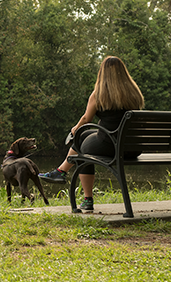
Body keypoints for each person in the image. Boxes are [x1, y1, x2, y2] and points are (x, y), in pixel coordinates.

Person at [39, 56, 144, 211]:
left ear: (103, 73)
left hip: (111, 145)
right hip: (132, 147)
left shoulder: (99, 94)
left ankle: (84, 196)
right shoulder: (134, 93)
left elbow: (86, 118)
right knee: (85, 134)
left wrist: (76, 127)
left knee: (81, 141)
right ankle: (60, 171)